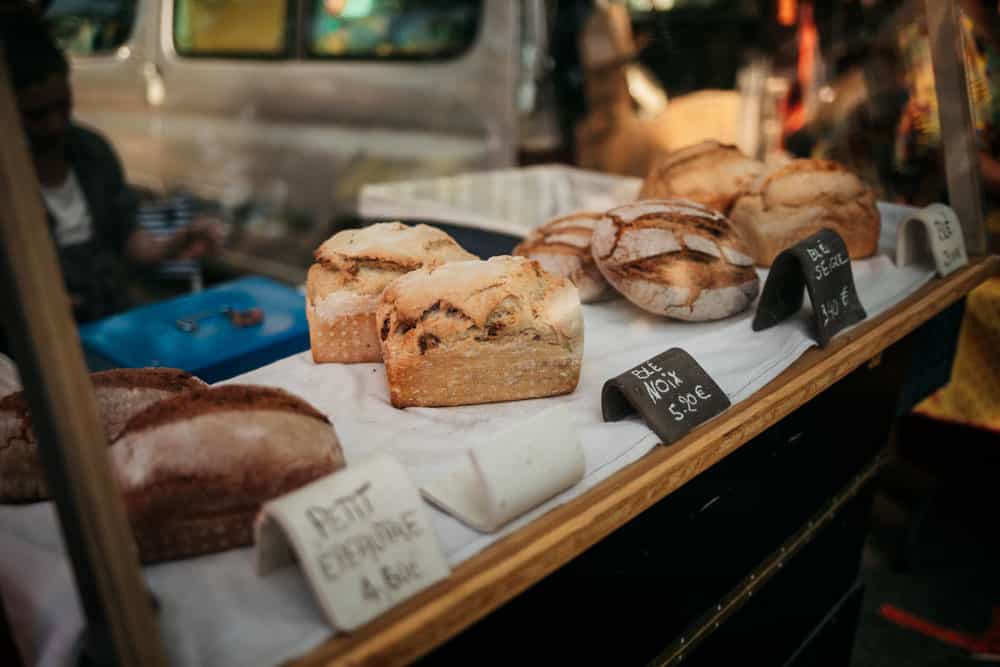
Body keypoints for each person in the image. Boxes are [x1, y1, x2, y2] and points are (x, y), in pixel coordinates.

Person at [2, 13, 223, 325]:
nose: (54, 124)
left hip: (110, 321)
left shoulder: (91, 152)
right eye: (35, 115)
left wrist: (173, 244)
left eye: (62, 106)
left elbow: (128, 239)